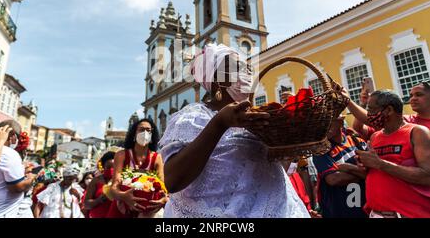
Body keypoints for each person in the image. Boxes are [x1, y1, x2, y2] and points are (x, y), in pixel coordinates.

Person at [159, 43, 310, 217]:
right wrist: (219, 124)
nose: (247, 73)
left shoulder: (257, 120)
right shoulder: (193, 117)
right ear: (216, 82)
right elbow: (172, 180)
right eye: (237, 68)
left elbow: (274, 173)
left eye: (247, 68)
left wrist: (290, 143)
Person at [343, 88, 430, 217]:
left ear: (388, 110)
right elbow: (376, 172)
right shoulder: (375, 137)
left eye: (372, 110)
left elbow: (427, 177)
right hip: (377, 213)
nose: (369, 114)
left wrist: (380, 164)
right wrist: (365, 165)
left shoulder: (417, 132)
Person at [108, 119, 166, 218]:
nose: (145, 133)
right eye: (141, 129)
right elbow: (113, 189)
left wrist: (164, 199)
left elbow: (162, 188)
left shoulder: (157, 158)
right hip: (121, 211)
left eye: (148, 130)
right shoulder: (122, 155)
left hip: (146, 212)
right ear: (134, 134)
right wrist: (124, 196)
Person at [313, 115, 368, 218]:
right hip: (339, 210)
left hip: (364, 207)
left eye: (329, 122)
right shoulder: (320, 150)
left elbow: (373, 171)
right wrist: (364, 174)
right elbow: (334, 179)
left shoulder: (357, 142)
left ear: (341, 123)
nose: (325, 127)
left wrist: (349, 168)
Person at [0, 120, 37, 218]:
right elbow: (17, 187)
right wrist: (33, 178)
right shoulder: (9, 153)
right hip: (0, 213)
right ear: (12, 135)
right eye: (18, 137)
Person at [353, 81, 430, 140]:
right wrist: (363, 104)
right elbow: (359, 127)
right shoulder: (403, 120)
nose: (413, 98)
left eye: (419, 94)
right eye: (411, 95)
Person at [84, 152, 115, 218]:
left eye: (114, 167)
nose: (111, 170)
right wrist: (99, 200)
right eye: (108, 167)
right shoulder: (95, 181)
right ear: (103, 167)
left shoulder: (123, 181)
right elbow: (86, 204)